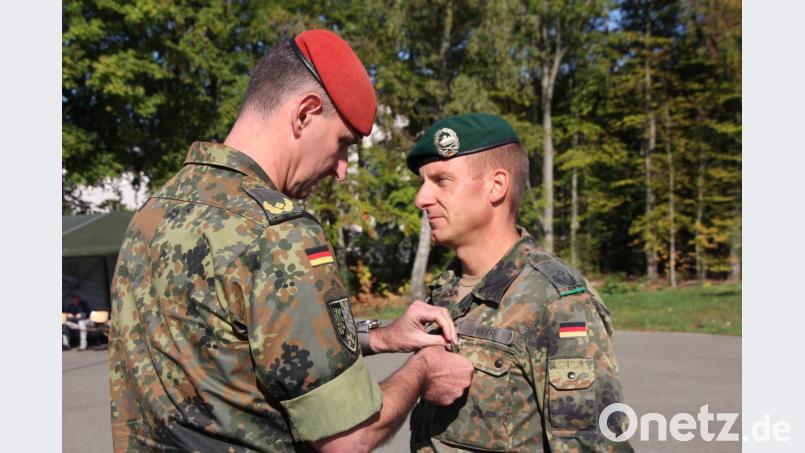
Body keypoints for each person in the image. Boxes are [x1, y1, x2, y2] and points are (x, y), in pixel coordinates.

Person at [109, 29, 474, 453]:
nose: (340, 170)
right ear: (305, 113)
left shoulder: (157, 210)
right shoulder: (278, 232)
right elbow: (348, 439)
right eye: (343, 144)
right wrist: (423, 371)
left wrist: (380, 336)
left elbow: (232, 345)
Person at [406, 113, 634, 452]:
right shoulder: (445, 290)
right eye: (423, 183)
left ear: (496, 186)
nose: (421, 198)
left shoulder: (555, 299)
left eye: (441, 181)